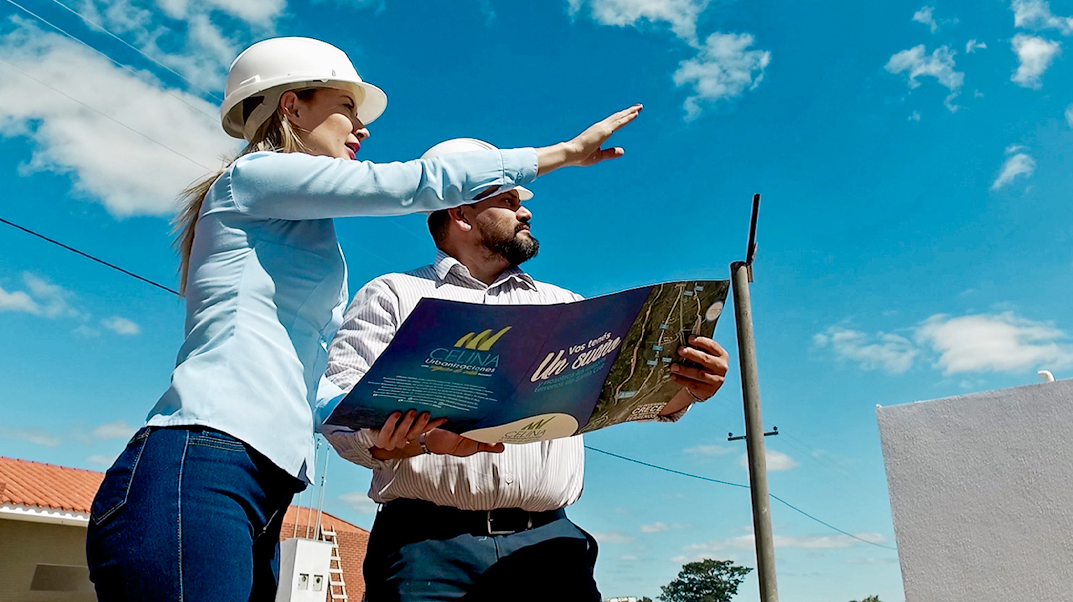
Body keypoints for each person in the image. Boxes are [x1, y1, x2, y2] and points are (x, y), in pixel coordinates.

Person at [84, 36, 642, 602]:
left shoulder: (296, 231)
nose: (363, 127)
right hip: (201, 460)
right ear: (291, 106)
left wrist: (407, 436)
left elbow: (318, 390)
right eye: (348, 107)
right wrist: (562, 154)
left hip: (261, 479)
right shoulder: (250, 177)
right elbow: (406, 184)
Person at [318, 138, 730, 602]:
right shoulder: (393, 295)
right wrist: (403, 442)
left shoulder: (565, 305)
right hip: (425, 549)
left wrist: (689, 387)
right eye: (510, 201)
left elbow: (620, 397)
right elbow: (339, 411)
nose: (526, 212)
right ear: (461, 212)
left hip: (549, 550)